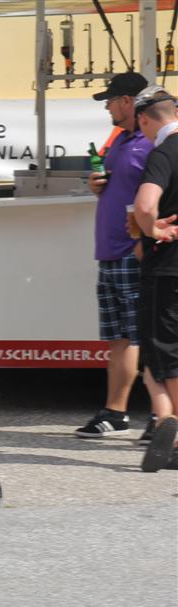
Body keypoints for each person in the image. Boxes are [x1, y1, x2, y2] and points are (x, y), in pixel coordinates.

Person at [74, 71, 154, 439]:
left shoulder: (154, 141)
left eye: (110, 99)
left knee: (148, 336)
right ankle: (115, 412)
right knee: (119, 338)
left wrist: (145, 240)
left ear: (128, 101)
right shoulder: (120, 140)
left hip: (133, 252)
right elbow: (118, 187)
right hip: (110, 252)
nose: (106, 105)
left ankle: (162, 414)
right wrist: (96, 185)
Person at [131, 85, 178, 470]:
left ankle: (174, 430)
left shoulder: (164, 152)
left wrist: (152, 230)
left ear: (145, 119)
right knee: (157, 356)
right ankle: (165, 423)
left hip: (169, 269)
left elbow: (146, 206)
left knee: (163, 352)